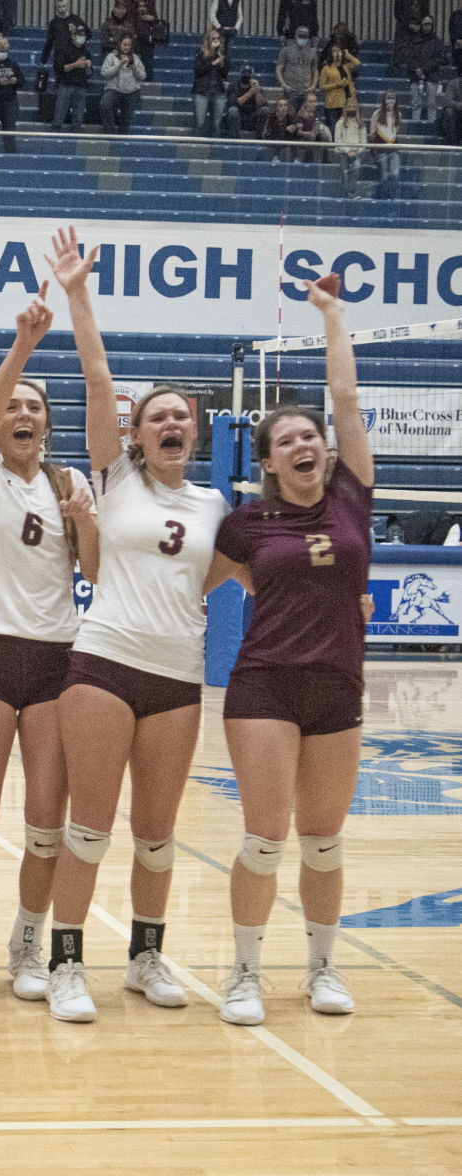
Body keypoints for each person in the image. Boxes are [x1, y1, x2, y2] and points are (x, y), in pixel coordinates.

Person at [40, 227, 229, 1024]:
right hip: (106, 666)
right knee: (90, 824)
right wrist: (78, 292)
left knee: (157, 834)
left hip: (177, 678)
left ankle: (146, 956)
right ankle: (66, 963)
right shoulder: (113, 478)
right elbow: (96, 372)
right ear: (138, 434)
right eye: (157, 418)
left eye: (181, 417)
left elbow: (236, 576)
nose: (170, 425)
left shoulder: (218, 508)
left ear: (194, 431)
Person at [206, 274, 372, 1026]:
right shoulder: (245, 525)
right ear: (268, 461)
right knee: (266, 838)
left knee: (325, 842)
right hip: (265, 687)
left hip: (338, 688)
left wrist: (333, 316)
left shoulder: (351, 495)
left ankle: (323, 969)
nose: (303, 443)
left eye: (310, 437)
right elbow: (186, 588)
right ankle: (244, 973)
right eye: (286, 442)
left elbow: (345, 398)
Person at [0, 325, 101, 998]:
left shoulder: (68, 483)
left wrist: (87, 521)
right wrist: (22, 351)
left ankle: (29, 940)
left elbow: (94, 570)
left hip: (57, 659)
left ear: (47, 424)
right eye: (14, 405)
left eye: (35, 407)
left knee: (46, 821)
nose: (23, 414)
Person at [46, 7, 94, 132]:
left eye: (83, 36)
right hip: (66, 84)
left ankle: (76, 136)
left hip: (81, 85)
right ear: (73, 37)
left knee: (78, 117)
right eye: (79, 35)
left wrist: (88, 66)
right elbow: (63, 68)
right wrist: (76, 64)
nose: (82, 37)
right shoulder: (64, 50)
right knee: (59, 113)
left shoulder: (87, 53)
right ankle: (55, 134)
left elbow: (89, 74)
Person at [99, 33, 145, 134]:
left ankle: (122, 139)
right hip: (114, 88)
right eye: (125, 45)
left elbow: (143, 76)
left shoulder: (135, 58)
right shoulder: (111, 56)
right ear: (120, 44)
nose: (127, 47)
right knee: (104, 105)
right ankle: (110, 133)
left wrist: (134, 68)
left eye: (129, 45)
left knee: (126, 119)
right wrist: (119, 65)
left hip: (131, 91)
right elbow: (104, 73)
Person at [192, 28, 228, 137]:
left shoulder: (220, 55)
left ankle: (216, 150)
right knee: (200, 123)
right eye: (213, 39)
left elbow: (224, 75)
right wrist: (212, 63)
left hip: (217, 91)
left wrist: (221, 63)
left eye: (218, 39)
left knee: (217, 124)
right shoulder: (200, 54)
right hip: (202, 91)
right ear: (208, 40)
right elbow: (198, 71)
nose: (216, 41)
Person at [317, 41, 357, 132]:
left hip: (344, 103)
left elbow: (357, 63)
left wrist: (348, 55)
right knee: (333, 128)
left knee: (343, 128)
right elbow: (321, 86)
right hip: (331, 104)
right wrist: (337, 85)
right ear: (331, 54)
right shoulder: (326, 68)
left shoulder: (346, 67)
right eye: (334, 51)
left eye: (339, 51)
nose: (337, 53)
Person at [276, 24, 317, 110]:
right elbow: (279, 69)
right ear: (295, 36)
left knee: (305, 117)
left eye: (305, 36)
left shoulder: (312, 52)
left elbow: (315, 71)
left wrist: (313, 86)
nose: (303, 39)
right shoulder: (286, 51)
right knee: (290, 117)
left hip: (306, 90)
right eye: (300, 36)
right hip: (290, 90)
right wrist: (284, 85)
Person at [369, 92, 402, 197]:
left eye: (393, 98)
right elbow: (372, 135)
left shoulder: (398, 114)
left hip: (393, 148)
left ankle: (393, 198)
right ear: (384, 100)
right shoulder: (377, 114)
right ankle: (384, 197)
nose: (390, 101)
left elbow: (395, 132)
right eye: (388, 98)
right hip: (380, 148)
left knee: (395, 173)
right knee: (384, 173)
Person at [332, 99, 367, 196]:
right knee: (345, 172)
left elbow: (364, 142)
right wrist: (347, 151)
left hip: (356, 152)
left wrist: (356, 151)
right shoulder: (340, 123)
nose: (351, 109)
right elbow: (338, 141)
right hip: (343, 152)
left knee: (356, 169)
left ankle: (352, 192)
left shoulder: (361, 124)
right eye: (349, 107)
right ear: (345, 108)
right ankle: (344, 193)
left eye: (354, 107)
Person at [292, 90, 331, 162]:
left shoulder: (317, 115)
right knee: (312, 136)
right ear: (305, 103)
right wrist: (310, 133)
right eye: (310, 102)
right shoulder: (301, 115)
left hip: (313, 136)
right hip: (302, 139)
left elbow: (316, 129)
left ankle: (325, 159)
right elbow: (299, 132)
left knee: (323, 135)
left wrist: (316, 131)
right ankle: (308, 159)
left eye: (315, 102)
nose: (313, 104)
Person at [226, 62, 263, 137]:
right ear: (241, 74)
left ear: (252, 75)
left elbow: (261, 104)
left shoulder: (256, 86)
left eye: (248, 74)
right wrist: (249, 93)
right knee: (232, 110)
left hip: (252, 115)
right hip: (238, 114)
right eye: (244, 73)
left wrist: (257, 92)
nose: (246, 76)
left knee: (265, 110)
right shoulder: (233, 86)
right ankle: (234, 138)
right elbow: (233, 103)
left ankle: (259, 138)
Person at [393, 1, 431, 74]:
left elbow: (426, 13)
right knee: (400, 55)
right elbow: (397, 14)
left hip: (419, 29)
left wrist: (421, 25)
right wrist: (408, 24)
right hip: (403, 30)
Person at [261, 94, 298, 161]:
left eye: (285, 105)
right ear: (277, 108)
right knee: (281, 134)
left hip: (285, 138)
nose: (283, 108)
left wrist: (294, 129)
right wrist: (286, 129)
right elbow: (272, 131)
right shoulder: (272, 117)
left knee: (291, 137)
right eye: (280, 106)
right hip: (271, 138)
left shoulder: (290, 117)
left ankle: (296, 158)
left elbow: (293, 129)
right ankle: (275, 156)